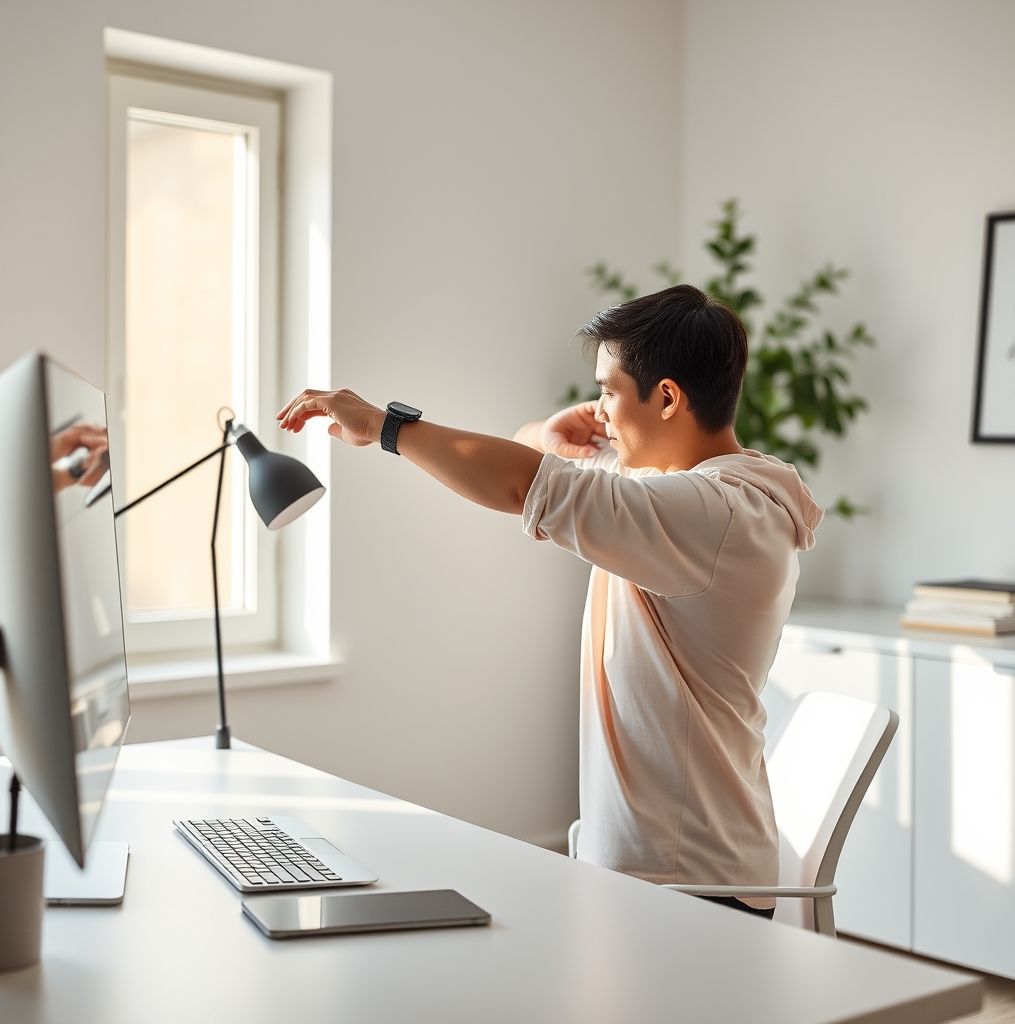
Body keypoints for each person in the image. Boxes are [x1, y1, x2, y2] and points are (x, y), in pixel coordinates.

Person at [278, 283, 824, 918]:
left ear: (668, 398)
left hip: (689, 882)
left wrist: (383, 425)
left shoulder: (708, 514)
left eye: (609, 389)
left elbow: (520, 486)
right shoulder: (684, 493)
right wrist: (547, 430)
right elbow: (531, 462)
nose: (601, 408)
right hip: (666, 869)